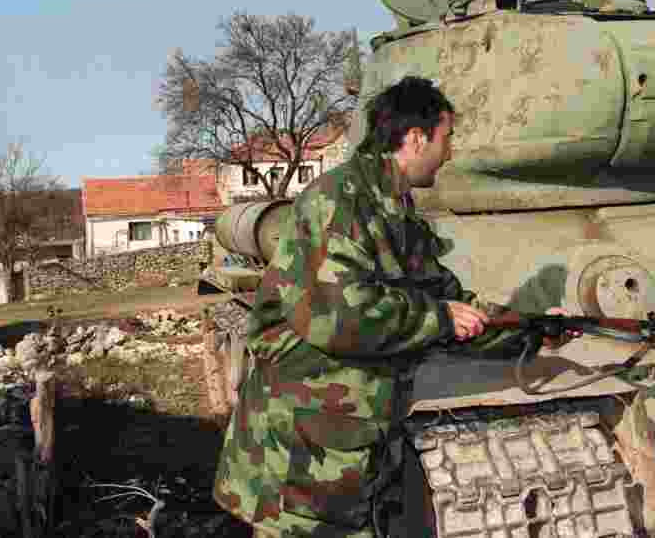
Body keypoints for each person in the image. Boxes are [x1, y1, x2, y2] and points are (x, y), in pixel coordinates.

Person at [214, 75, 577, 538]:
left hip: (351, 441)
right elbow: (342, 317)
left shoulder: (394, 208)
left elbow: (444, 301)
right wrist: (441, 317)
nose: (450, 152)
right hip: (304, 449)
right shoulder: (339, 201)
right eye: (446, 138)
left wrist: (527, 332)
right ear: (416, 137)